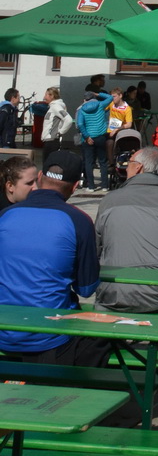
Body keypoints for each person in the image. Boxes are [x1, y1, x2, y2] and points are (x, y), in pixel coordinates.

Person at [0, 151, 100, 360]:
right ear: (74, 187)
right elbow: (86, 287)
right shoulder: (79, 220)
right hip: (51, 338)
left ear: (39, 178)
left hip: (4, 333)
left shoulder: (6, 216)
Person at [94, 144, 158, 312]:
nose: (126, 167)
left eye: (129, 163)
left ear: (139, 168)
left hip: (113, 293)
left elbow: (94, 251)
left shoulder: (109, 200)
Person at [76, 83, 112, 190]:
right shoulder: (101, 105)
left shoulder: (82, 109)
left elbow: (80, 124)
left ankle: (91, 186)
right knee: (103, 162)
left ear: (85, 99)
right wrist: (97, 93)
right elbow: (110, 97)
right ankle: (104, 186)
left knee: (89, 162)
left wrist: (87, 136)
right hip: (100, 137)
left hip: (88, 139)